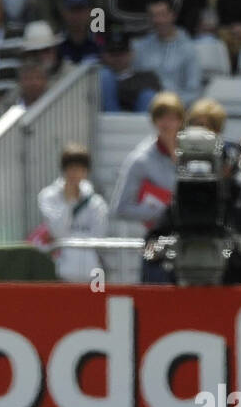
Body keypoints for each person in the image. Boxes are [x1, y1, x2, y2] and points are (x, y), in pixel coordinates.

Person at [142, 126, 241, 284]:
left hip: (236, 286)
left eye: (215, 165)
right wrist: (156, 249)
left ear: (228, 166)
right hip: (186, 286)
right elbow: (152, 241)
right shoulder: (183, 198)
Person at [36, 143, 109, 281]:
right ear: (64, 169)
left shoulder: (96, 202)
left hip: (91, 272)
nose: (75, 173)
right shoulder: (48, 196)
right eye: (71, 168)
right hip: (59, 270)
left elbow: (98, 236)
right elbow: (58, 232)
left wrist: (73, 235)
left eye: (80, 168)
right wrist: (68, 202)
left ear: (86, 171)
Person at [110, 89, 181, 230]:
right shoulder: (140, 160)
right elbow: (121, 208)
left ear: (181, 121)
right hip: (157, 239)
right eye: (162, 118)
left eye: (173, 118)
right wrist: (164, 212)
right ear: (154, 121)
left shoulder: (192, 154)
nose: (167, 124)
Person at [131, 0, 201, 107]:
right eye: (153, 16)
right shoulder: (140, 46)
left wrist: (172, 104)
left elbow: (193, 89)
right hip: (145, 101)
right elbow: (133, 79)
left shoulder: (189, 48)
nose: (158, 20)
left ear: (172, 16)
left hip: (176, 105)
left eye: (162, 15)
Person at [98, 28, 161, 111]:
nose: (117, 58)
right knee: (105, 76)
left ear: (131, 53)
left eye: (121, 53)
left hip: (139, 119)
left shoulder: (148, 77)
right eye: (112, 53)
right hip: (106, 118)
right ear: (104, 55)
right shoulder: (99, 77)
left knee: (147, 95)